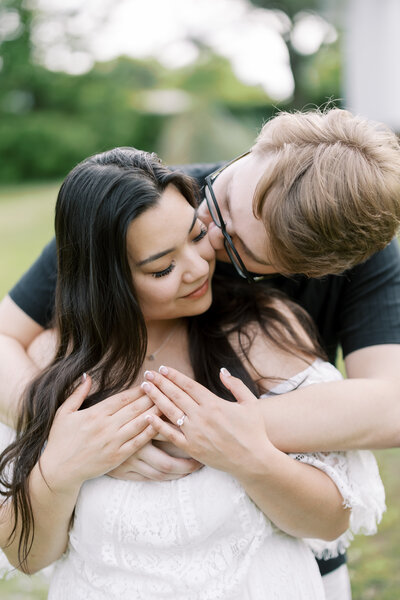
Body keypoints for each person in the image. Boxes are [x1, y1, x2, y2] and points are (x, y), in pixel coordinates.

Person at [0, 107, 399, 588]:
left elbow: (390, 404)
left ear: (301, 269)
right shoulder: (145, 207)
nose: (208, 235)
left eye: (232, 246)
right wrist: (75, 434)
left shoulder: (278, 326)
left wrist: (203, 428)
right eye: (221, 195)